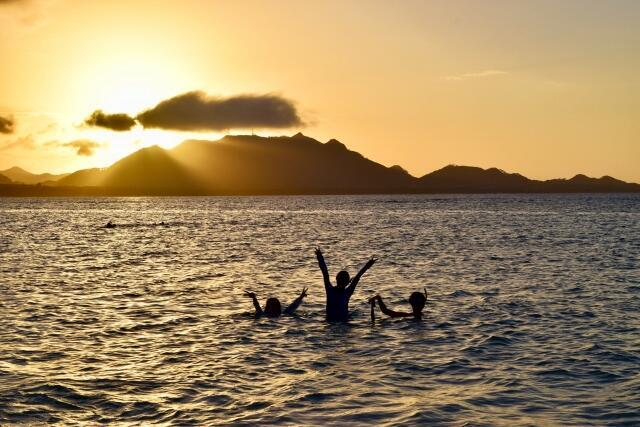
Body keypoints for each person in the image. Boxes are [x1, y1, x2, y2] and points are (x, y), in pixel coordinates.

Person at [315, 247, 376, 322]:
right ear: (347, 282)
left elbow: (325, 272)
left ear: (336, 278)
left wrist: (320, 257)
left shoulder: (330, 290)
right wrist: (368, 265)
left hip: (330, 321)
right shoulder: (347, 292)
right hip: (344, 322)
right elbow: (358, 276)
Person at [243, 287, 308, 317]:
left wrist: (301, 297)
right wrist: (254, 298)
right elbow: (257, 306)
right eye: (272, 305)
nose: (273, 307)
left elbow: (293, 305)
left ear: (278, 306)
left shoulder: (283, 313)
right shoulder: (263, 314)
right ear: (268, 306)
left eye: (274, 305)